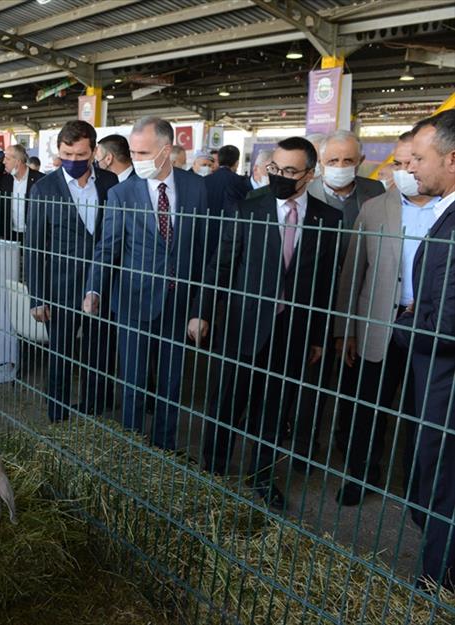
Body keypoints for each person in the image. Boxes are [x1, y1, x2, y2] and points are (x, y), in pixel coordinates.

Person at [188, 137, 341, 509]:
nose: (280, 177)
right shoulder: (247, 208)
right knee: (226, 402)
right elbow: (221, 265)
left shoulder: (329, 218)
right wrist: (203, 311)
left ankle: (260, 476)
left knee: (275, 409)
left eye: (290, 172)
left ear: (309, 174)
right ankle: (214, 469)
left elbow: (327, 283)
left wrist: (319, 336)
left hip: (293, 331)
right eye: (275, 169)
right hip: (244, 325)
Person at [84, 116, 208, 451]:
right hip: (134, 301)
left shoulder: (197, 188)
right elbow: (107, 246)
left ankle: (165, 447)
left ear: (166, 150)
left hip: (179, 302)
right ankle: (132, 447)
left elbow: (206, 254)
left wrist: (200, 309)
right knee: (133, 381)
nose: (136, 160)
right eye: (134, 153)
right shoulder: (121, 192)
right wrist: (94, 288)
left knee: (171, 382)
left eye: (142, 153)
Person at [332, 131, 440, 507]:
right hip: (378, 322)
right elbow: (353, 273)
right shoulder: (376, 208)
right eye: (398, 162)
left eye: (413, 161)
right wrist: (345, 330)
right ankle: (360, 474)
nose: (405, 169)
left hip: (427, 325)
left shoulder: (447, 210)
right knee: (367, 406)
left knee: (421, 412)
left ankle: (417, 488)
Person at [293, 130, 386, 467]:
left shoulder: (375, 192)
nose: (341, 166)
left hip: (359, 305)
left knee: (352, 385)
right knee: (310, 384)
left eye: (348, 160)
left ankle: (348, 450)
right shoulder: (305, 192)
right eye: (333, 160)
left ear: (360, 162)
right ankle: (303, 447)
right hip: (316, 304)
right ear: (320, 164)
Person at [392, 109, 455, 590]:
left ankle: (437, 582)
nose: (411, 168)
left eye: (421, 158)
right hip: (435, 375)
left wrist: (401, 325)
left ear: (451, 160)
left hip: (445, 383)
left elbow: (445, 328)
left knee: (442, 483)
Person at [26, 120, 118, 423]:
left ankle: (94, 407)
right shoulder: (44, 188)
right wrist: (36, 297)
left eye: (81, 155)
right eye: (67, 155)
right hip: (60, 288)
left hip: (104, 284)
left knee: (99, 351)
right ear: (59, 151)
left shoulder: (110, 183)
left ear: (93, 151)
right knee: (61, 355)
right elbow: (34, 247)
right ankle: (58, 415)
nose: (73, 162)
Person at [0, 144, 42, 242]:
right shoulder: (4, 180)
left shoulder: (40, 180)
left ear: (18, 161)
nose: (3, 162)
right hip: (10, 235)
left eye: (7, 159)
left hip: (33, 235)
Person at [205, 145, 248, 247]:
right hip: (230, 234)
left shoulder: (205, 180)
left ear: (218, 161)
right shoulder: (241, 182)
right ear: (237, 163)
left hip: (207, 231)